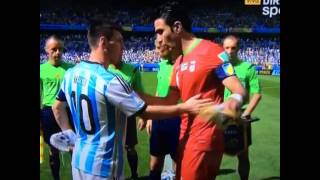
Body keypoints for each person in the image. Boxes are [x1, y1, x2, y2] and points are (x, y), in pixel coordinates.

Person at [51, 18, 212, 180]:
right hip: (103, 166)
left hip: (78, 162)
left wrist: (68, 133)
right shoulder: (110, 80)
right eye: (120, 41)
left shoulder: (72, 73)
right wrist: (184, 108)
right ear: (104, 42)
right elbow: (145, 112)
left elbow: (57, 107)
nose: (123, 47)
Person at [137, 2, 248, 179]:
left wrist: (234, 101)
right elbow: (168, 102)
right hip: (185, 137)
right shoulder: (178, 63)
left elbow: (238, 88)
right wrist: (136, 96)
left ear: (177, 27)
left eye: (160, 31)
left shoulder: (212, 51)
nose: (158, 38)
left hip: (204, 140)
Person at [222, 35, 262, 180]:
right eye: (226, 47)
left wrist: (246, 114)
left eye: (233, 47)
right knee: (214, 154)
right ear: (223, 48)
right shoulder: (218, 67)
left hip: (241, 116)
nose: (230, 51)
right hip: (221, 115)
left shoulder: (247, 67)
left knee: (243, 156)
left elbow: (257, 94)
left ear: (238, 48)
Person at [143, 40, 181, 180]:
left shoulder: (182, 65)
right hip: (159, 119)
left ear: (169, 46)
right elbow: (158, 92)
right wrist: (150, 117)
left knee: (178, 161)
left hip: (177, 119)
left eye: (159, 47)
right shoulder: (162, 65)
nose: (157, 50)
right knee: (154, 163)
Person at [40, 35, 74, 180]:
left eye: (60, 49)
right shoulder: (41, 69)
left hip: (68, 111)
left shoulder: (71, 69)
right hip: (48, 113)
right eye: (54, 49)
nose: (58, 52)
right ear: (47, 50)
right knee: (53, 150)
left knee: (74, 147)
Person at [108, 48, 145, 180]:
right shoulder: (104, 69)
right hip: (109, 116)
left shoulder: (133, 70)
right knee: (110, 149)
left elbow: (140, 94)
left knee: (130, 147)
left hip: (128, 115)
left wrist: (142, 116)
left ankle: (134, 175)